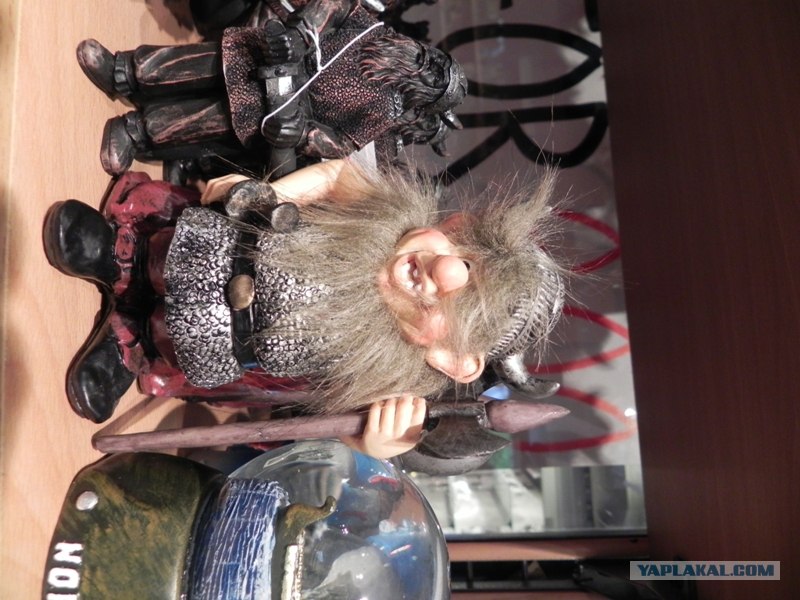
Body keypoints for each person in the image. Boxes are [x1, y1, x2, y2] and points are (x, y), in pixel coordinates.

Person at [44, 159, 564, 458]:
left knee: (164, 336)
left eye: (460, 305)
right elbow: (338, 174)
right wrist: (271, 193)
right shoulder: (386, 217)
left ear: (452, 359)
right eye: (464, 260)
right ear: (455, 227)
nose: (442, 273)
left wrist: (377, 444)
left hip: (216, 340)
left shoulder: (384, 369)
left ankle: (125, 345)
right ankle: (117, 253)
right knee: (161, 257)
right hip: (219, 249)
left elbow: (341, 422)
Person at [76, 0, 467, 177]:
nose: (428, 66)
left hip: (274, 107)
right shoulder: (376, 33)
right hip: (268, 53)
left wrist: (304, 134)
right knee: (192, 65)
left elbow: (342, 142)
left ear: (427, 97)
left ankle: (134, 133)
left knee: (201, 121)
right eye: (436, 61)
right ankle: (122, 71)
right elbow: (335, 6)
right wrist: (301, 34)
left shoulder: (385, 111)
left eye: (435, 78)